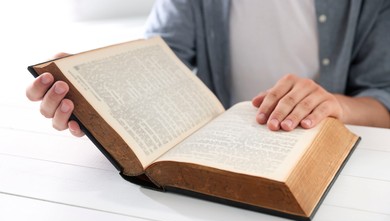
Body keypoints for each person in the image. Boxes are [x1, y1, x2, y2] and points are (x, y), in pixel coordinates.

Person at [26, 0, 390, 136]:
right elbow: (159, 62)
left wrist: (336, 105)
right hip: (217, 145)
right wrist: (95, 86)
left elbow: (383, 98)